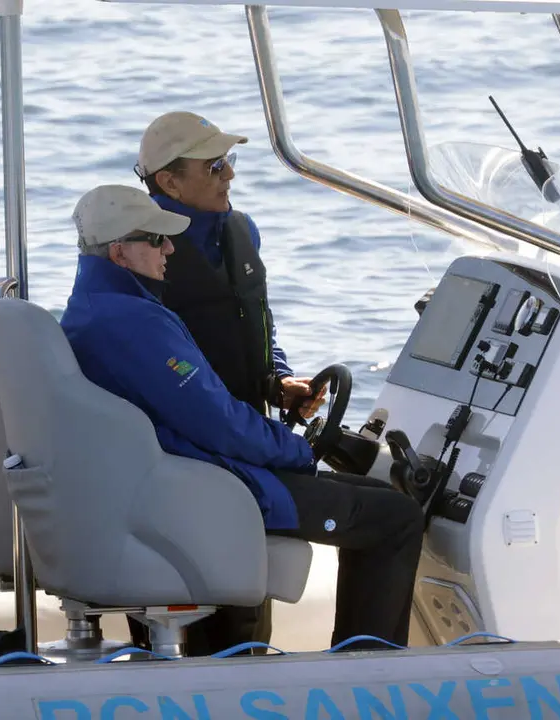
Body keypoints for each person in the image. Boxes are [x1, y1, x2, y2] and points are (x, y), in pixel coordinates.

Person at [60, 185, 426, 651]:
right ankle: (367, 678)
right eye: (157, 239)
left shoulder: (94, 309)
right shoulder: (132, 322)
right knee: (396, 517)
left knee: (377, 500)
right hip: (205, 489)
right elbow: (219, 421)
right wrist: (299, 451)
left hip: (170, 478)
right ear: (120, 253)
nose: (170, 248)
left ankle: (361, 667)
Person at [130, 110, 324, 653]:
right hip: (174, 456)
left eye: (229, 163)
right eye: (214, 166)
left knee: (245, 612)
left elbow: (257, 321)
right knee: (185, 595)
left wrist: (277, 379)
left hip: (245, 438)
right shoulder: (137, 249)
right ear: (168, 182)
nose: (229, 176)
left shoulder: (241, 230)